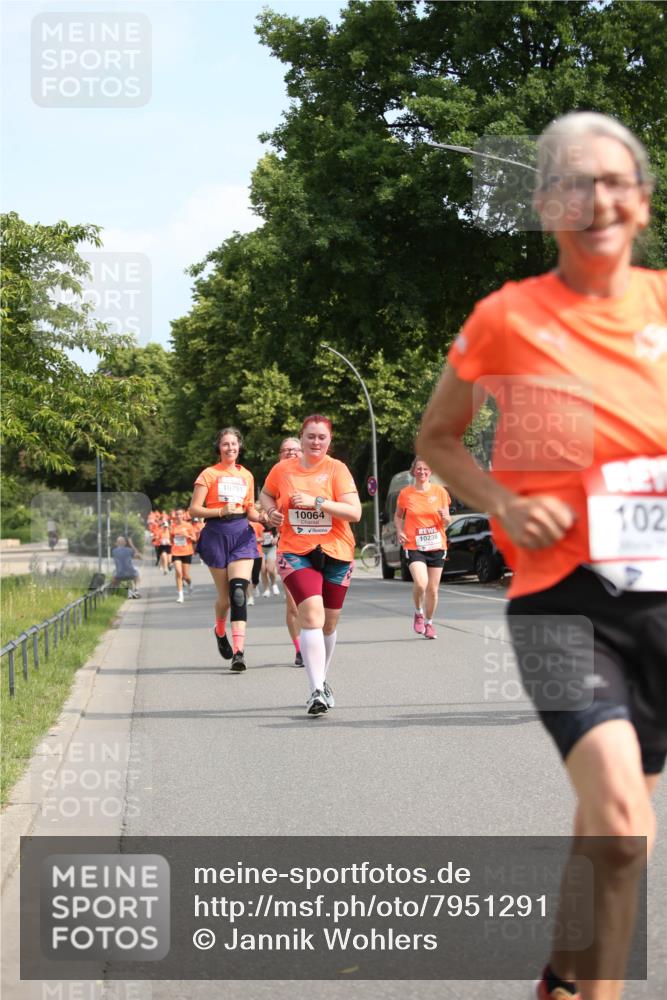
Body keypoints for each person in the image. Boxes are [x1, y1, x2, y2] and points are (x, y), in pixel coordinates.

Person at [417, 112, 666, 1000]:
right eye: (573, 182)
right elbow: (439, 438)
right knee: (623, 821)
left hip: (660, 604)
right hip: (562, 602)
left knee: (604, 825)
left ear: (639, 201)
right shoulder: (508, 318)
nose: (595, 198)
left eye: (613, 181)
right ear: (542, 204)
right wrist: (499, 501)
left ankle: (562, 973)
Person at [260, 416, 361, 715]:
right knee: (312, 615)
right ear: (301, 439)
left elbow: (353, 512)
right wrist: (270, 513)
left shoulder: (336, 469)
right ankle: (316, 689)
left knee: (329, 622)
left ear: (329, 440)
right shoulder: (283, 469)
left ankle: (323, 678)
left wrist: (318, 502)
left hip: (337, 550)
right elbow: (266, 494)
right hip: (295, 551)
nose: (315, 442)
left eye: (321, 437)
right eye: (310, 437)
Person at [189, 426, 269, 671]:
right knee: (224, 599)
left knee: (238, 593)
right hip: (215, 534)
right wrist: (220, 511)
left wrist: (263, 517)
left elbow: (250, 509)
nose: (230, 448)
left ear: (239, 446)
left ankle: (238, 652)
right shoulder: (209, 475)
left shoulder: (247, 475)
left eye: (234, 444)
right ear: (219, 447)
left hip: (241, 535)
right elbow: (194, 509)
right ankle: (219, 629)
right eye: (225, 444)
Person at [394, 458, 451, 639]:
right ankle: (418, 612)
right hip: (414, 544)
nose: (422, 472)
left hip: (436, 544)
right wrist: (399, 531)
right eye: (419, 468)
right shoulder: (405, 494)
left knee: (433, 590)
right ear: (413, 471)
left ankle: (429, 623)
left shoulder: (440, 492)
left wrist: (445, 517)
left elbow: (447, 520)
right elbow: (397, 516)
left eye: (426, 469)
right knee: (421, 583)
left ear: (431, 472)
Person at [278, 437, 305, 666]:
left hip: (321, 546)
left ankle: (313, 641)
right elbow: (265, 503)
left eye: (295, 450)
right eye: (286, 450)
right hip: (289, 547)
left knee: (318, 603)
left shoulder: (316, 473)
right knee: (294, 603)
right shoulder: (277, 476)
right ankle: (300, 649)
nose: (291, 453)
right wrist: (269, 513)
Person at [170, 509, 196, 604]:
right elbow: (171, 540)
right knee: (178, 573)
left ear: (183, 515)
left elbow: (195, 538)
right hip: (176, 552)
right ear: (175, 515)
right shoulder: (172, 526)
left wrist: (187, 535)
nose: (178, 516)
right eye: (177, 514)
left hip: (187, 551)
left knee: (185, 575)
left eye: (180, 514)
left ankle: (190, 583)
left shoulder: (188, 525)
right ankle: (180, 595)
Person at [260, 524, 280, 597]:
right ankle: (266, 589)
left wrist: (276, 537)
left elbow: (280, 528)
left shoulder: (271, 517)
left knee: (270, 569)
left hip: (271, 547)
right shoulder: (255, 519)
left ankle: (274, 584)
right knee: (263, 569)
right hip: (260, 548)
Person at [248, 518, 264, 605]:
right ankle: (250, 597)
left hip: (257, 553)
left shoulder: (257, 525)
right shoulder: (239, 525)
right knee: (247, 577)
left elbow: (263, 538)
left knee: (255, 577)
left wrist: (256, 540)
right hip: (245, 554)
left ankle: (255, 585)